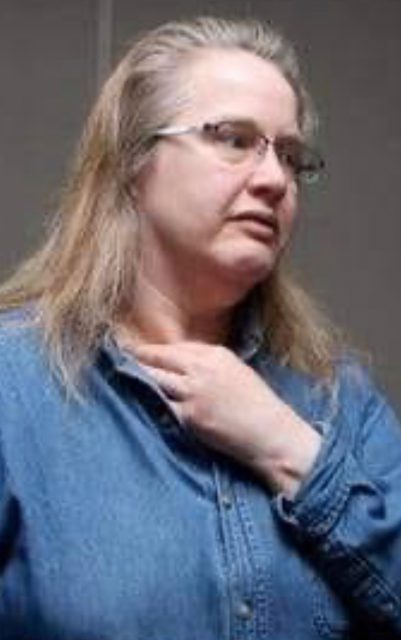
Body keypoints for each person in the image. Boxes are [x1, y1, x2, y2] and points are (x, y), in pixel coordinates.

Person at [0, 15, 400, 640]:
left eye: (289, 156)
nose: (274, 180)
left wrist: (289, 449)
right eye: (234, 139)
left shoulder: (341, 402)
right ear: (133, 164)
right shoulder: (13, 388)